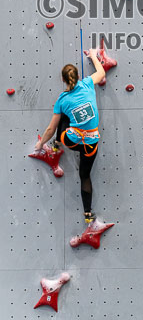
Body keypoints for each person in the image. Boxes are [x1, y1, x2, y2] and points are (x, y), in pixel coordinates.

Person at [34, 50, 105, 223]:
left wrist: (40, 145)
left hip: (72, 141)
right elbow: (101, 72)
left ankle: (56, 145)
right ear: (78, 76)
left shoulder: (62, 100)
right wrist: (93, 55)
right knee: (85, 176)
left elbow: (51, 128)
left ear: (63, 80)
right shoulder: (87, 84)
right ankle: (88, 215)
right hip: (90, 145)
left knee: (64, 116)